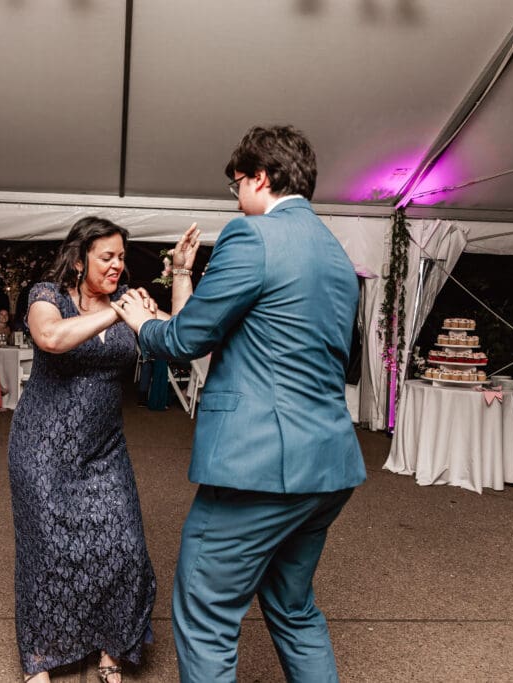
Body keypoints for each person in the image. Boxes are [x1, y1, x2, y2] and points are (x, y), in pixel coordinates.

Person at [114, 125, 365, 682]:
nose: (237, 197)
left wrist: (141, 325)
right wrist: (183, 275)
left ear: (261, 177)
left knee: (205, 613)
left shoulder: (251, 237)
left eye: (237, 184)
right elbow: (232, 331)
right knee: (294, 608)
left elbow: (182, 342)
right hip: (327, 464)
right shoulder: (336, 257)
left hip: (259, 466)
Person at [7, 217, 157, 683]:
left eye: (121, 258)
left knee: (126, 545)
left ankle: (112, 648)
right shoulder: (46, 296)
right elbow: (51, 338)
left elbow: (181, 337)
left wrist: (185, 276)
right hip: (42, 448)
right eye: (107, 257)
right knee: (48, 551)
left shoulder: (130, 303)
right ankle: (40, 662)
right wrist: (118, 311)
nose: (118, 266)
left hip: (104, 449)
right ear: (79, 261)